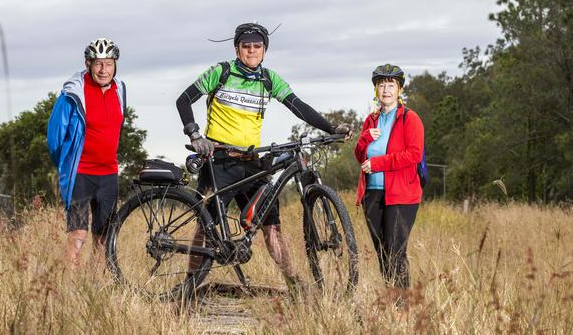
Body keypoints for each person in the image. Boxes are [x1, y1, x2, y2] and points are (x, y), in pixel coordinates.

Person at [176, 22, 352, 287]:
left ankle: (293, 282)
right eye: (246, 46)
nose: (251, 51)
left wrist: (331, 127)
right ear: (237, 49)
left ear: (264, 50)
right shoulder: (221, 72)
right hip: (219, 160)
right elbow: (184, 99)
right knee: (205, 225)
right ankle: (189, 285)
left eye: (257, 46)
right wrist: (195, 135)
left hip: (252, 162)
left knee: (272, 225)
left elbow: (298, 107)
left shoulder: (269, 79)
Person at [47, 38, 127, 271]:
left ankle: (93, 291)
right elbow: (54, 138)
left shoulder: (120, 90)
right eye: (98, 64)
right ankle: (69, 294)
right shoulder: (72, 94)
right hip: (81, 174)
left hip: (109, 174)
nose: (104, 70)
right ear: (88, 64)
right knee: (78, 235)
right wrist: (66, 164)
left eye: (109, 64)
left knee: (103, 238)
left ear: (115, 65)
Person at [354, 64, 424, 298]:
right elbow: (359, 155)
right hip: (372, 194)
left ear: (399, 89)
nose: (386, 89)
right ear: (376, 89)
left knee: (396, 251)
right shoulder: (371, 120)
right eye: (381, 84)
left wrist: (379, 163)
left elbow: (414, 154)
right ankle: (392, 299)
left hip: (402, 195)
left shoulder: (410, 119)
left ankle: (402, 307)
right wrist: (364, 139)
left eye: (391, 84)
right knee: (382, 252)